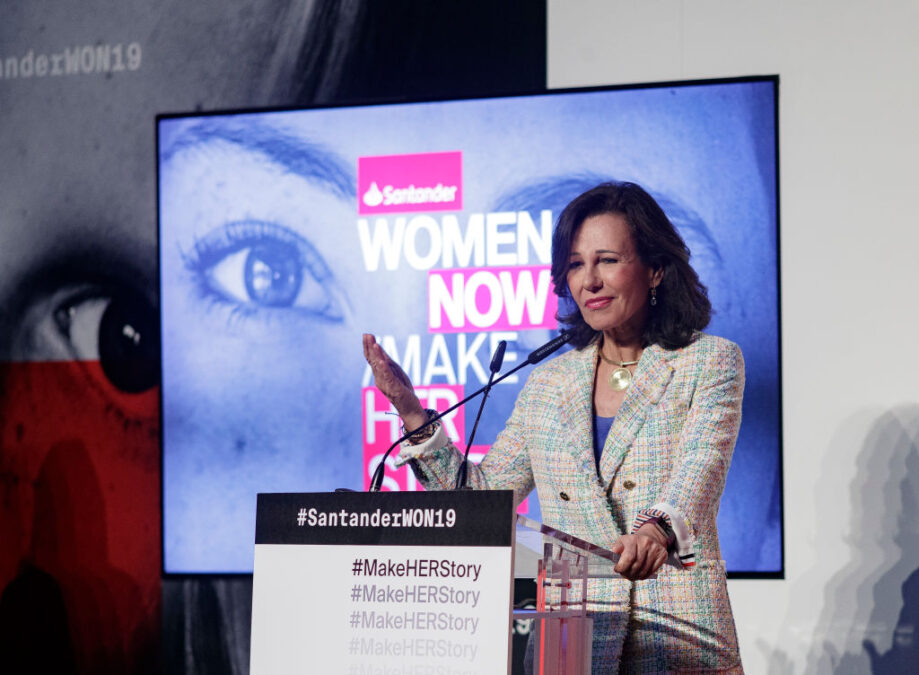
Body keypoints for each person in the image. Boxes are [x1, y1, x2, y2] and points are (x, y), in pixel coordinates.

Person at [363, 181, 745, 673]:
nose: (589, 280)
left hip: (675, 629)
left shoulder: (708, 361)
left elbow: (700, 471)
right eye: (575, 265)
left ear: (654, 270)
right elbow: (484, 497)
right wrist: (411, 410)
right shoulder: (549, 384)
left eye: (607, 260)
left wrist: (655, 532)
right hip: (566, 639)